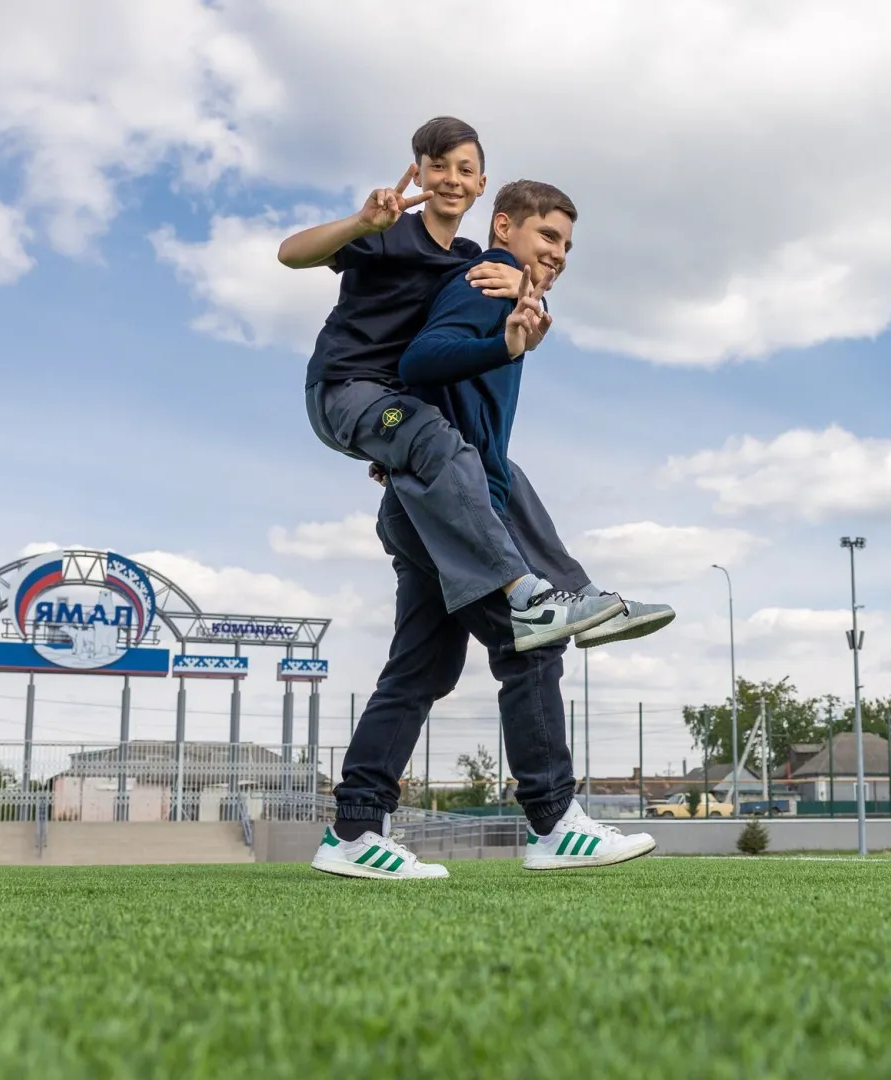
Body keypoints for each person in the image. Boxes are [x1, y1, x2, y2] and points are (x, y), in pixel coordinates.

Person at [312, 179, 657, 880]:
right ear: (505, 226)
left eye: (565, 244)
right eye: (547, 237)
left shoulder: (511, 288)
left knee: (423, 668)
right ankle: (555, 821)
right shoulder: (485, 284)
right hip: (442, 508)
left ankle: (353, 828)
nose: (558, 254)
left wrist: (521, 311)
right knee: (528, 645)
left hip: (438, 504)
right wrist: (503, 338)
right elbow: (419, 361)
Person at [280, 116, 631, 652]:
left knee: (494, 466)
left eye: (464, 169)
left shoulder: (467, 261)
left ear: (481, 184)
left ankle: (578, 593)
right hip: (344, 389)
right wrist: (360, 223)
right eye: (436, 166)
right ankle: (525, 595)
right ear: (418, 173)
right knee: (440, 441)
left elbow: (509, 285)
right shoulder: (387, 234)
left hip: (398, 405)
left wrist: (525, 284)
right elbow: (290, 253)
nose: (450, 178)